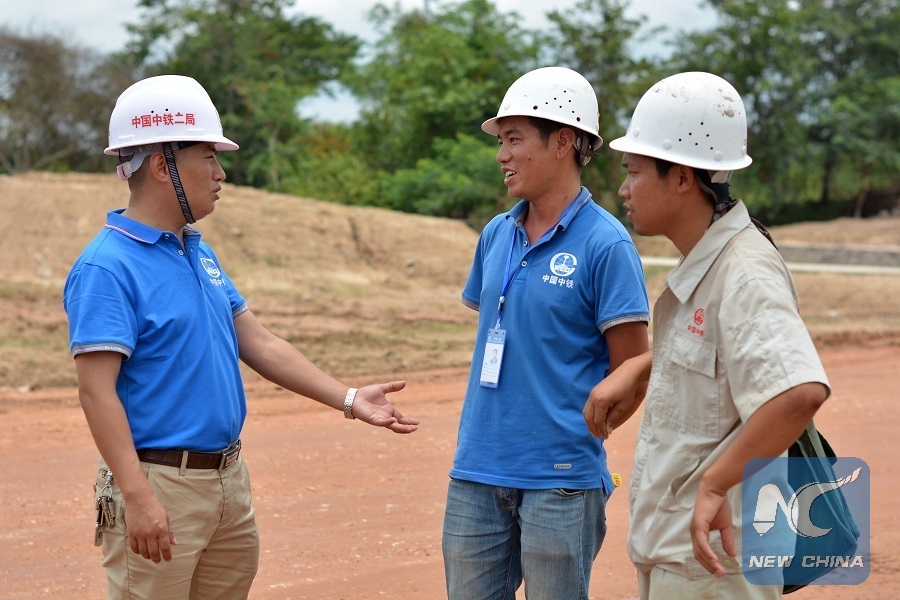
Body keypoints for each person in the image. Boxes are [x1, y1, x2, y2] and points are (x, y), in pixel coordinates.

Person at [63, 74, 419, 600]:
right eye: (209, 158)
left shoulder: (196, 250)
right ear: (162, 166)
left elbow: (260, 343)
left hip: (227, 477)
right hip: (159, 483)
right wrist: (137, 497)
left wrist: (348, 399)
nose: (220, 173)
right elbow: (96, 392)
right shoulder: (107, 267)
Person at [591, 71, 831, 599]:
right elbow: (719, 358)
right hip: (683, 557)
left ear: (681, 177)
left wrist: (717, 483)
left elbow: (799, 392)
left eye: (633, 172)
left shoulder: (742, 272)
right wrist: (642, 365)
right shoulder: (708, 264)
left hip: (715, 565)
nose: (623, 189)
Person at [441, 66, 651, 599]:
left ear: (562, 142)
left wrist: (579, 438)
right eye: (501, 141)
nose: (501, 154)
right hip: (476, 472)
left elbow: (633, 369)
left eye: (514, 139)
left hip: (562, 483)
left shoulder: (607, 245)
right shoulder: (496, 234)